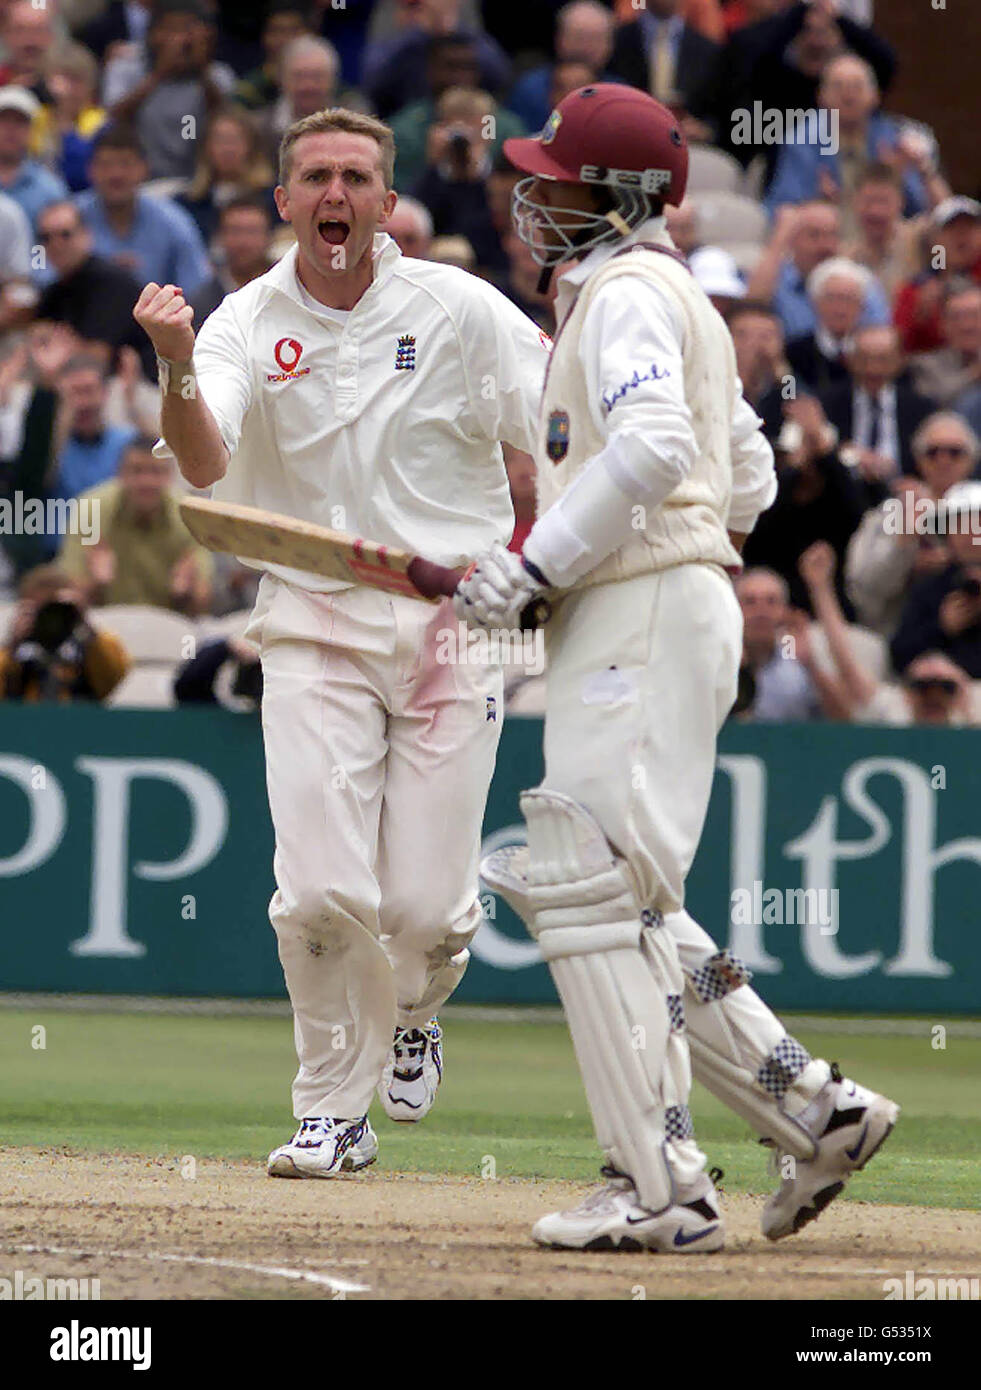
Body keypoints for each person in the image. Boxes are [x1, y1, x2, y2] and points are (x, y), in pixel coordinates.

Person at [461, 84, 897, 1251]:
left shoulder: (624, 298)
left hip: (640, 613)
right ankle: (817, 1103)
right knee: (631, 901)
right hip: (659, 607)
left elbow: (661, 449)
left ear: (613, 198)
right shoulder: (677, 301)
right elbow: (739, 470)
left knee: (591, 891)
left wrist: (541, 561)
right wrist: (678, 563)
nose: (531, 192)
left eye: (553, 176)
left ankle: (661, 1188)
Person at [133, 107, 549, 1179]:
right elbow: (206, 464)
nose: (335, 194)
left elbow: (554, 431)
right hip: (313, 614)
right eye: (314, 175)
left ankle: (414, 1012)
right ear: (284, 201)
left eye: (356, 177)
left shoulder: (460, 309)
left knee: (421, 910)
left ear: (386, 202)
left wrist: (547, 566)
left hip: (454, 625)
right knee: (321, 891)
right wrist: (176, 361)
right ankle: (329, 1109)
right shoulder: (237, 320)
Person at [58, 436, 213, 615]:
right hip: (104, 627)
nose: (146, 481)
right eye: (137, 471)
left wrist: (186, 592)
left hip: (168, 626)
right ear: (120, 474)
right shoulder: (90, 509)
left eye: (156, 472)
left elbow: (203, 601)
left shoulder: (190, 515)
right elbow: (69, 597)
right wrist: (95, 583)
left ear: (170, 476)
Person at [74, 125, 211, 297]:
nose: (116, 174)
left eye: (126, 164)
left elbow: (198, 289)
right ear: (90, 170)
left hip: (156, 320)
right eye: (106, 165)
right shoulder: (70, 219)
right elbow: (44, 278)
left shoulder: (174, 222)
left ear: (144, 169)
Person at [36, 200, 155, 378]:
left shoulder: (112, 282)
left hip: (140, 385)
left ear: (86, 236)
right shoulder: (55, 290)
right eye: (46, 238)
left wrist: (58, 351)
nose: (56, 244)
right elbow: (36, 336)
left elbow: (98, 358)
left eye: (65, 234)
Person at [819, 324, 936, 479]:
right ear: (850, 360)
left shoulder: (922, 409)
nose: (873, 369)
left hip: (903, 495)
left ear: (900, 361)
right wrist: (850, 456)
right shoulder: (827, 403)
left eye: (883, 359)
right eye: (864, 359)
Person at [0, 564, 130, 702]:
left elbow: (113, 678)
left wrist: (84, 624)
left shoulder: (88, 645)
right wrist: (14, 644)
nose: (48, 619)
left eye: (53, 610)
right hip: (25, 721)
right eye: (40, 611)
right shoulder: (15, 653)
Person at [189, 195, 276, 326]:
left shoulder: (288, 295)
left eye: (252, 232)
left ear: (269, 237)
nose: (244, 242)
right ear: (219, 237)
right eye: (235, 231)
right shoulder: (200, 305)